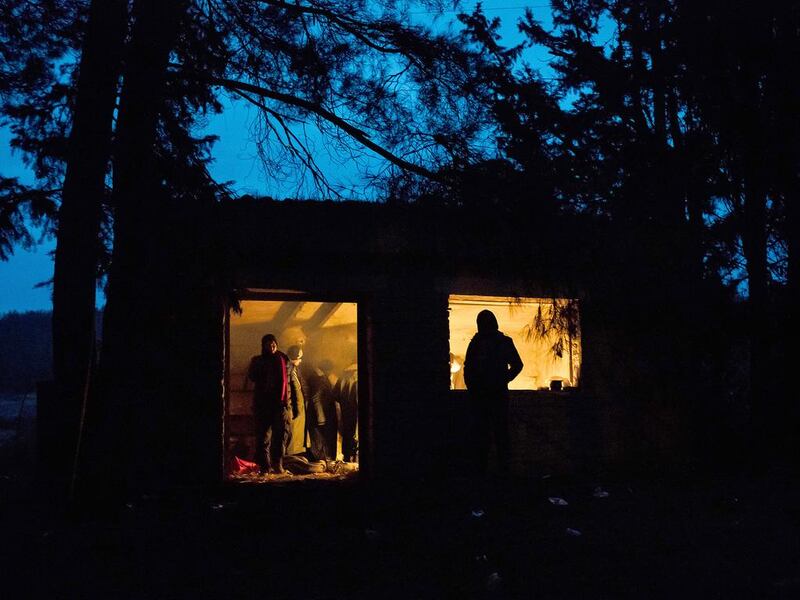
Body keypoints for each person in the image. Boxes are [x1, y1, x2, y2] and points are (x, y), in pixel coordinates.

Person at [464, 309, 523, 476]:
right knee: (483, 437)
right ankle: (484, 473)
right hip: (482, 398)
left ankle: (502, 473)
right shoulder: (476, 343)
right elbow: (468, 369)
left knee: (500, 436)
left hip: (496, 397)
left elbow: (517, 365)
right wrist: (473, 388)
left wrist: (503, 380)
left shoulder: (503, 342)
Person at [247, 334, 292, 474]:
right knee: (263, 437)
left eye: (274, 344)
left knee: (279, 437)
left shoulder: (283, 360)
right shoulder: (258, 361)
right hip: (263, 405)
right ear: (264, 346)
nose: (272, 347)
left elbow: (288, 381)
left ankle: (277, 465)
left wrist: (288, 405)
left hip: (280, 405)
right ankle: (265, 467)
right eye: (268, 345)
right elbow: (252, 376)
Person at [285, 345, 307, 456]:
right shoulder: (290, 370)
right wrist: (298, 410)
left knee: (293, 436)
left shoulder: (292, 369)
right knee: (292, 437)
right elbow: (294, 391)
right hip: (293, 410)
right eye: (300, 357)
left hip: (294, 409)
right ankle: (290, 460)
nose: (301, 360)